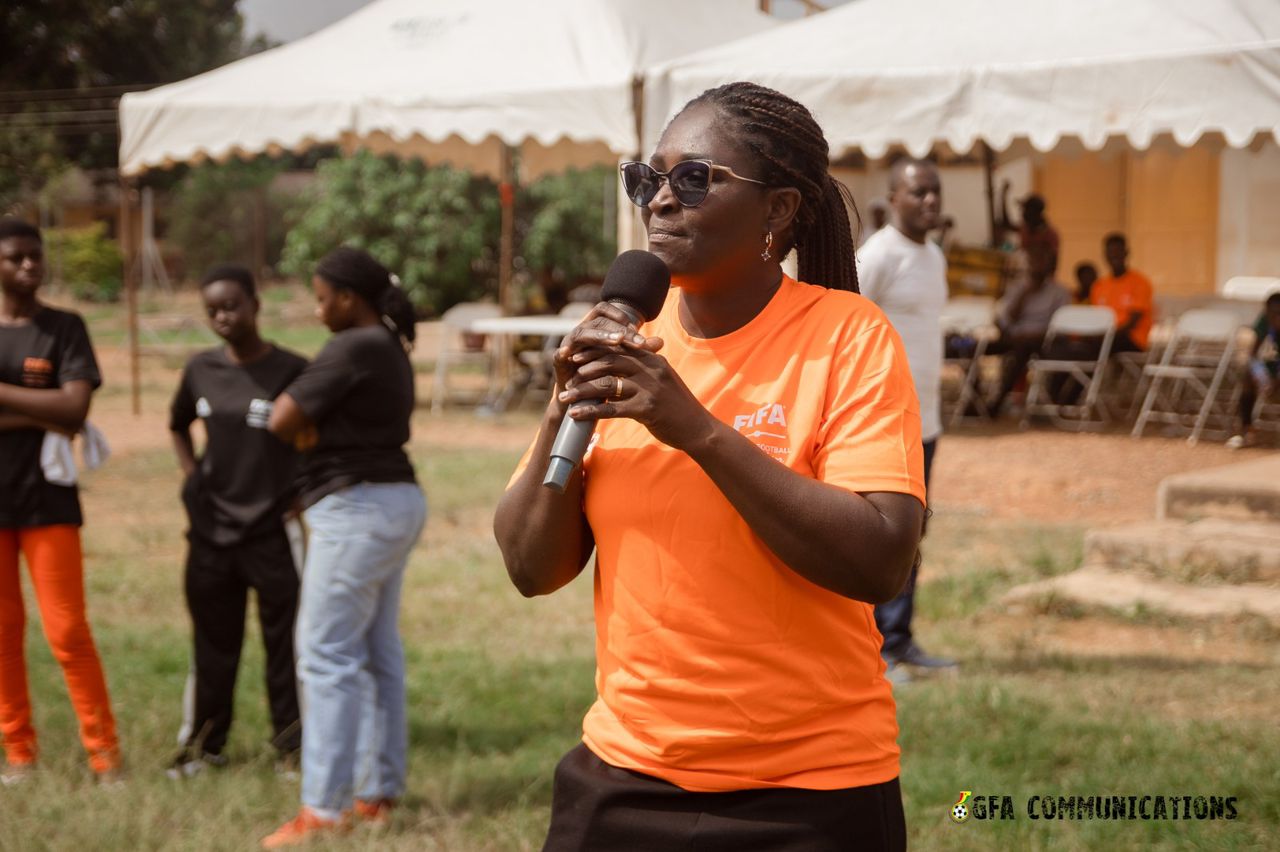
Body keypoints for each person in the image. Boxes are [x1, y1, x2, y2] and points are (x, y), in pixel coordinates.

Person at [495, 82, 924, 851]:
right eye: (647, 179)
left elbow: (880, 559)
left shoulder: (848, 338)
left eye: (694, 178)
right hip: (623, 775)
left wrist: (694, 428)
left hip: (808, 795)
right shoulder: (629, 343)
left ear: (779, 211)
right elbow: (532, 567)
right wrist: (563, 407)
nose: (660, 200)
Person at [261, 247, 426, 848]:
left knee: (326, 653)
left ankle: (323, 811)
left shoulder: (352, 346)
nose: (317, 307)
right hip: (394, 500)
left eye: (323, 296)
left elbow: (282, 419)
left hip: (355, 508)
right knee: (376, 649)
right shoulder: (387, 344)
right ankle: (375, 791)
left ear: (348, 299)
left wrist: (308, 431)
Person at [167, 265, 307, 779]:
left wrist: (302, 492)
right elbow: (177, 423)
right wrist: (192, 479)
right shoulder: (200, 368)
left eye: (232, 306)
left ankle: (292, 749)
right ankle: (204, 748)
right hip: (211, 533)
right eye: (212, 310)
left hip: (271, 530)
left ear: (255, 304)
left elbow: (321, 436)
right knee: (212, 643)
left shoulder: (294, 370)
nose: (223, 317)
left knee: (287, 645)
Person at [0, 218, 121, 784]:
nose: (29, 267)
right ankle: (19, 754)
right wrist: (38, 407)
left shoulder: (65, 328)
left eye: (35, 257)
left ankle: (105, 756)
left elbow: (74, 410)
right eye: (16, 258)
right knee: (3, 634)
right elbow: (57, 408)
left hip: (48, 502)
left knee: (68, 632)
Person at [857, 159, 956, 676]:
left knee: (912, 533)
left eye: (935, 192)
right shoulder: (877, 255)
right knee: (884, 534)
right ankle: (874, 645)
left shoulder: (933, 256)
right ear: (893, 197)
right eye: (919, 192)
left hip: (926, 420)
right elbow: (845, 321)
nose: (931, 202)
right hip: (885, 419)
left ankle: (898, 638)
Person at [984, 243, 1071, 416]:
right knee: (973, 348)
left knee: (1022, 349)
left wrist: (1030, 335)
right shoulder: (1018, 288)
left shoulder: (1060, 292)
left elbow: (1060, 326)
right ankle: (975, 401)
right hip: (1015, 338)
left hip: (1043, 341)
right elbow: (1008, 318)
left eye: (1041, 262)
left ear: (1049, 265)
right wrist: (1026, 293)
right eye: (1033, 262)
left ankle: (999, 400)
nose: (1036, 266)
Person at [1227, 292, 1280, 449]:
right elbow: (1253, 353)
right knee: (1247, 377)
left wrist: (1276, 381)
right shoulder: (1266, 321)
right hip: (1276, 364)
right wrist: (1261, 375)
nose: (1276, 318)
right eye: (1272, 314)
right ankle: (1246, 430)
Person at [1090, 233, 1154, 353]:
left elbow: (1133, 322)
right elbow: (1096, 319)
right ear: (1105, 255)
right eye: (1110, 251)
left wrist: (1106, 335)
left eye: (1118, 251)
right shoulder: (1099, 285)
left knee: (1096, 346)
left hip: (1132, 339)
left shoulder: (1140, 282)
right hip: (1105, 337)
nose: (1114, 255)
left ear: (1126, 253)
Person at [997, 182, 1060, 265]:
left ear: (1036, 213)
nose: (1023, 213)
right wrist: (1003, 196)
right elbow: (1006, 224)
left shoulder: (1050, 234)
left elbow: (1052, 261)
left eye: (1026, 210)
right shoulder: (1026, 227)